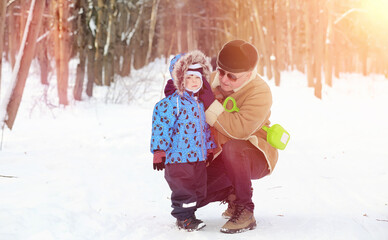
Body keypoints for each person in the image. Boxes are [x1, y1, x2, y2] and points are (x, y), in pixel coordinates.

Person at [164, 40, 279, 234]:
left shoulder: (260, 92)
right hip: (219, 153)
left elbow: (239, 130)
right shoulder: (212, 78)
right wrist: (176, 91)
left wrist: (209, 103)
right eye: (222, 71)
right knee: (192, 195)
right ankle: (232, 193)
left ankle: (245, 209)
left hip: (254, 153)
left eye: (232, 77)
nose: (224, 79)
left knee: (235, 147)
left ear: (249, 74)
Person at [150, 50, 216, 232]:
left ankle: (190, 215)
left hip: (197, 157)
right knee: (184, 190)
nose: (194, 82)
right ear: (179, 80)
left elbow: (205, 130)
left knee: (198, 189)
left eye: (197, 78)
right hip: (178, 159)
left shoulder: (200, 103)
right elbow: (161, 127)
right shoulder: (171, 104)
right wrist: (159, 151)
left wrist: (209, 149)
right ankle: (184, 219)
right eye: (189, 78)